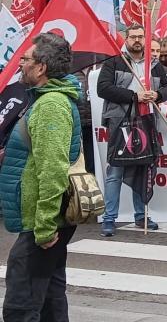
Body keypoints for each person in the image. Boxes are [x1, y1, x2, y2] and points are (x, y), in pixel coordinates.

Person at [0, 33, 82, 322]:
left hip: (43, 220)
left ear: (41, 67)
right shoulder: (48, 101)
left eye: (26, 59)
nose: (21, 64)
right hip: (44, 218)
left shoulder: (51, 105)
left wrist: (45, 225)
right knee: (49, 298)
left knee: (21, 305)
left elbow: (53, 167)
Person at [96, 24, 167, 237]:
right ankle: (109, 218)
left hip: (146, 120)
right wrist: (134, 96)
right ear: (126, 39)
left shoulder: (154, 64)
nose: (137, 40)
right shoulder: (114, 61)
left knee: (144, 168)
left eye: (141, 37)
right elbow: (103, 88)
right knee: (116, 170)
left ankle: (141, 216)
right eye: (133, 37)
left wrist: (156, 96)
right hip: (120, 122)